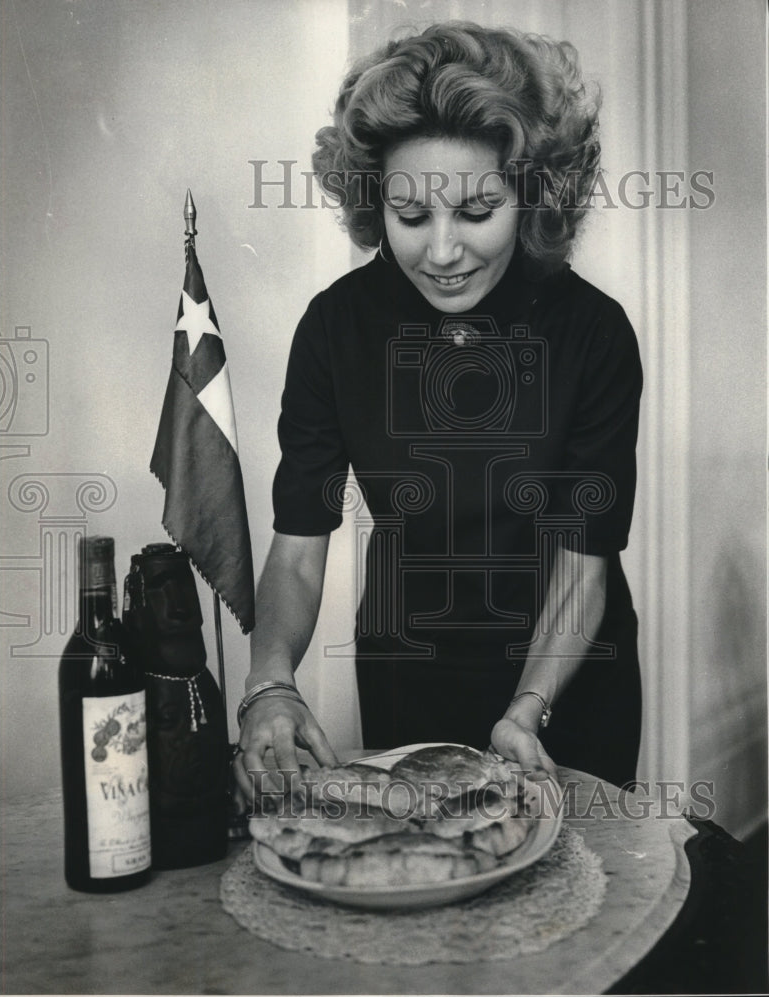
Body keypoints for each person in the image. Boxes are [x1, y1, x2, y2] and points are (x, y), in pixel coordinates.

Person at [234, 21, 642, 797]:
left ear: (531, 196)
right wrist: (270, 682)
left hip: (568, 678)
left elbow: (585, 561)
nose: (445, 251)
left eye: (478, 210)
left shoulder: (593, 333)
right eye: (412, 218)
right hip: (407, 671)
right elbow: (295, 554)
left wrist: (525, 710)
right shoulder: (334, 329)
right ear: (374, 204)